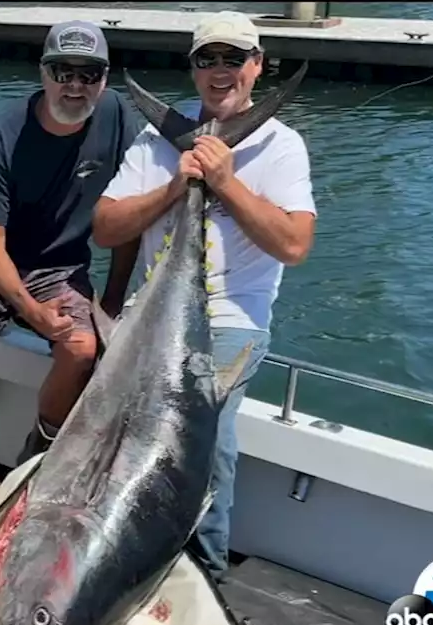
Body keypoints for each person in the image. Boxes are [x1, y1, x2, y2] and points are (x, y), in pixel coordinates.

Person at [92, 11, 317, 578]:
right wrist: (178, 185)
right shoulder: (157, 136)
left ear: (257, 66)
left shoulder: (282, 146)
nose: (221, 71)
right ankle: (119, 549)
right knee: (112, 430)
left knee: (202, 434)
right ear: (193, 69)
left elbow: (293, 245)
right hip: (153, 311)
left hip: (232, 320)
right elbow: (106, 228)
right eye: (207, 59)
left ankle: (206, 570)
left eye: (234, 59)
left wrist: (223, 181)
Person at [0, 20, 143, 527]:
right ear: (43, 72)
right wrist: (31, 310)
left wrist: (113, 303)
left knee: (81, 348)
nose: (74, 86)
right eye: (62, 71)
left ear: (104, 78)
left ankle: (38, 457)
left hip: (59, 267)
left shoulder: (118, 116)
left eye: (88, 73)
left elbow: (127, 220)